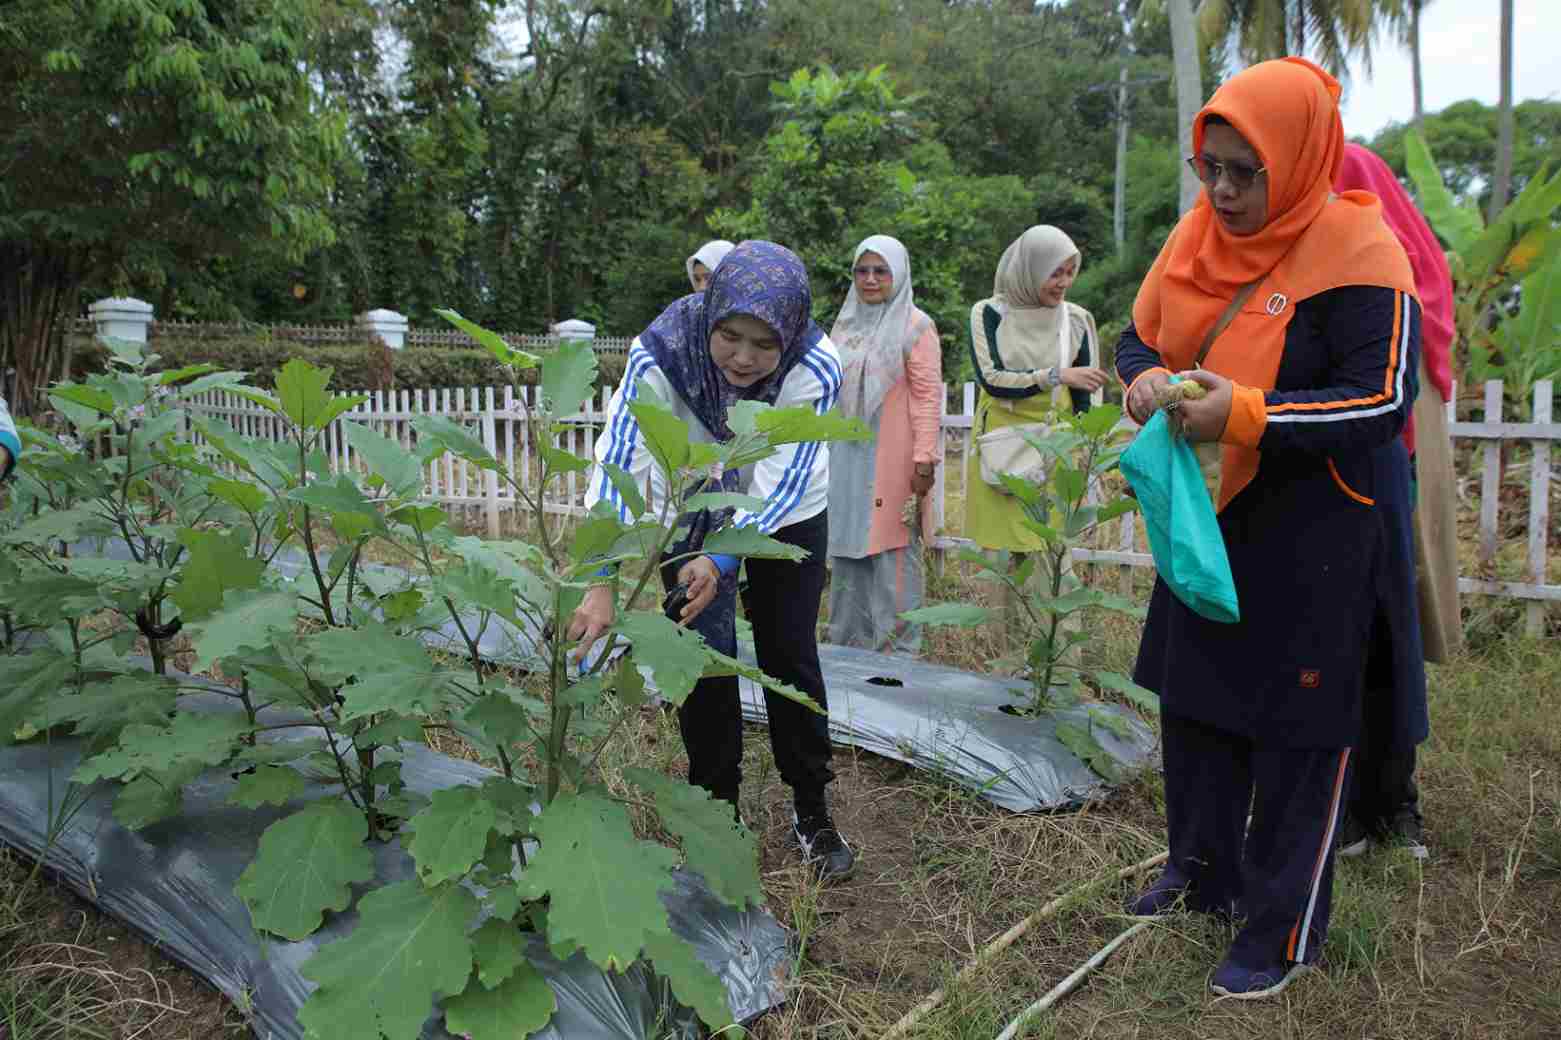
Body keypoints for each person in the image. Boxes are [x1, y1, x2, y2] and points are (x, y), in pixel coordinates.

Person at [1117, 58, 1421, 999]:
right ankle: (1199, 874)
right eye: (1208, 166)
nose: (1222, 190)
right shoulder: (1194, 237)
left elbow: (1380, 397)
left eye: (1243, 171)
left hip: (1318, 537)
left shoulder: (1359, 254)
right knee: (1196, 703)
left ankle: (1278, 931)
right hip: (1210, 521)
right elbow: (1143, 333)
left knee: (1298, 730)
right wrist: (1140, 378)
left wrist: (1244, 415)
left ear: (1294, 159)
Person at [567, 240, 855, 881]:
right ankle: (715, 814)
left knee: (789, 653)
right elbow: (621, 460)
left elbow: (783, 480)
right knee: (698, 653)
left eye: (764, 344)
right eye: (729, 336)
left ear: (789, 335)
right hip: (692, 496)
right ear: (709, 317)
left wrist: (724, 562)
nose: (745, 358)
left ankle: (811, 808)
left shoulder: (816, 362)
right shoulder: (662, 350)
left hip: (788, 509)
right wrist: (601, 579)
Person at [1331, 142, 1462, 860]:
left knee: (1391, 635)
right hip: (1332, 475)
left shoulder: (1399, 281)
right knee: (1336, 639)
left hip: (1390, 470)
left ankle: (1394, 803)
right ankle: (1347, 806)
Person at [826, 235, 942, 654]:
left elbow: (928, 397)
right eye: (862, 270)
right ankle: (845, 653)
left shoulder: (916, 326)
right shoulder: (845, 325)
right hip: (846, 456)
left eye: (881, 271)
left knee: (893, 553)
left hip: (894, 460)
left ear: (899, 274)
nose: (870, 279)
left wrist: (924, 460)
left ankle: (898, 658)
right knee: (847, 551)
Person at [965, 226, 1107, 553]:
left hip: (1057, 449)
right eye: (1054, 273)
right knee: (1001, 558)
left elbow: (1086, 398)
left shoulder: (1076, 320)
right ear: (1030, 270)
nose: (1064, 283)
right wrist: (1055, 376)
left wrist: (1087, 457)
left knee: (1051, 556)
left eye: (1071, 272)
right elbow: (992, 378)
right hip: (1002, 447)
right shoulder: (989, 313)